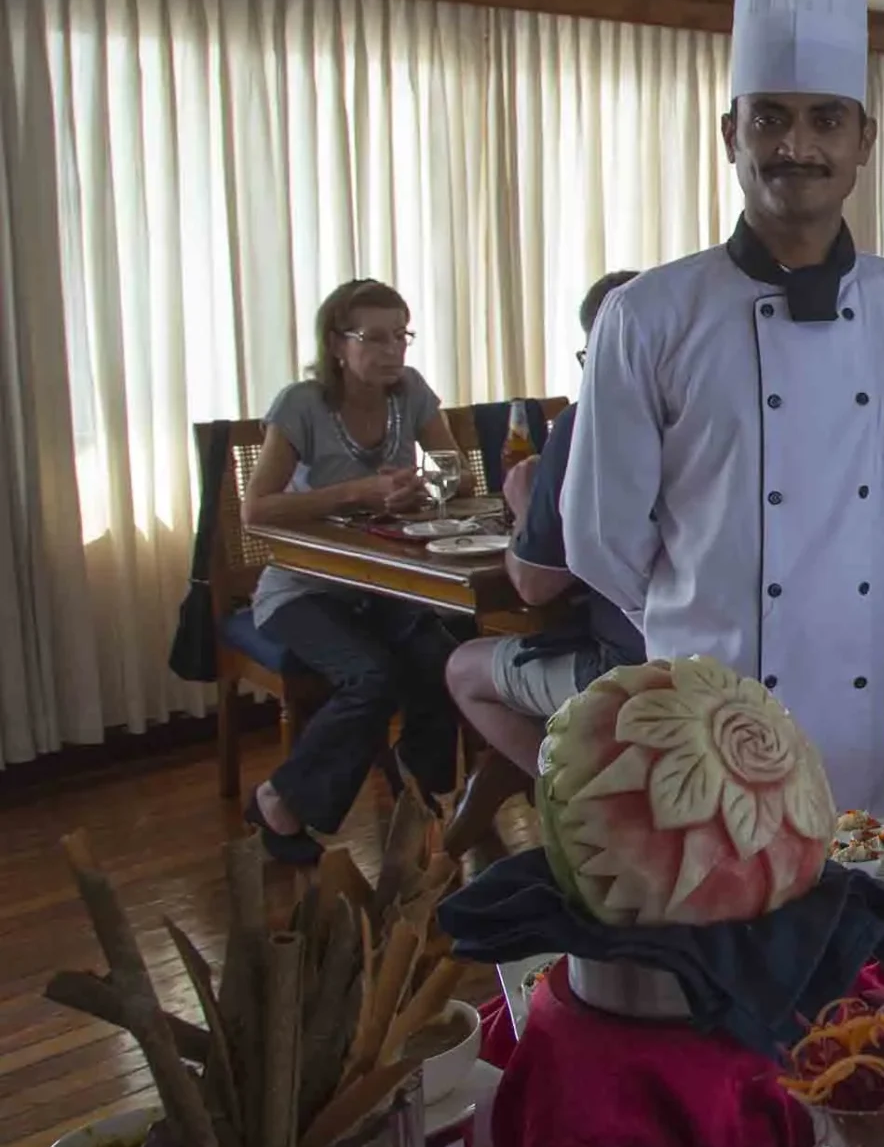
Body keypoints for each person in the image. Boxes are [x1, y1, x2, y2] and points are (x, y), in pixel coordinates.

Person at [566, 0, 884, 818]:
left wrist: (861, 578)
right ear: (731, 133)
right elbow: (601, 537)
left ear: (864, 140)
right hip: (716, 703)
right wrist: (710, 605)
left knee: (883, 895)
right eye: (771, 120)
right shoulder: (648, 315)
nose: (797, 146)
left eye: (825, 120)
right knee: (727, 898)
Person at [242, 278, 472, 864]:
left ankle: (420, 801)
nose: (393, 350)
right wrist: (357, 492)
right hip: (303, 588)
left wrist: (423, 489)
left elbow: (457, 474)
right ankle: (280, 800)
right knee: (373, 676)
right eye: (375, 338)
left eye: (401, 335)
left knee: (442, 663)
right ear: (337, 344)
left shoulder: (411, 392)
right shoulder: (302, 404)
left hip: (384, 582)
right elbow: (257, 509)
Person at [445, 272, 645, 787]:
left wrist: (523, 507)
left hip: (636, 670)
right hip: (737, 659)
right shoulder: (734, 410)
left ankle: (577, 806)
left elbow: (535, 585)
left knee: (463, 668)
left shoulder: (588, 421)